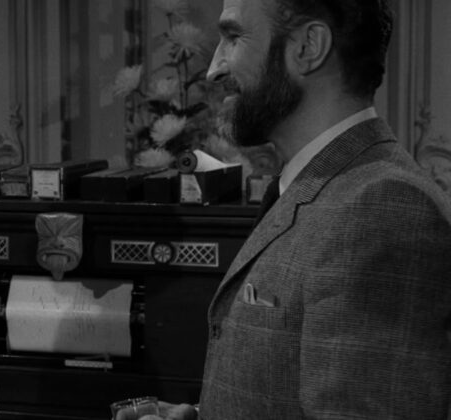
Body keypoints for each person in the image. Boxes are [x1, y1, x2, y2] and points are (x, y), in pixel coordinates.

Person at [141, 0, 451, 418]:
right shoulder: (310, 184)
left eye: (233, 37)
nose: (214, 68)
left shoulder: (381, 209)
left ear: (308, 47)